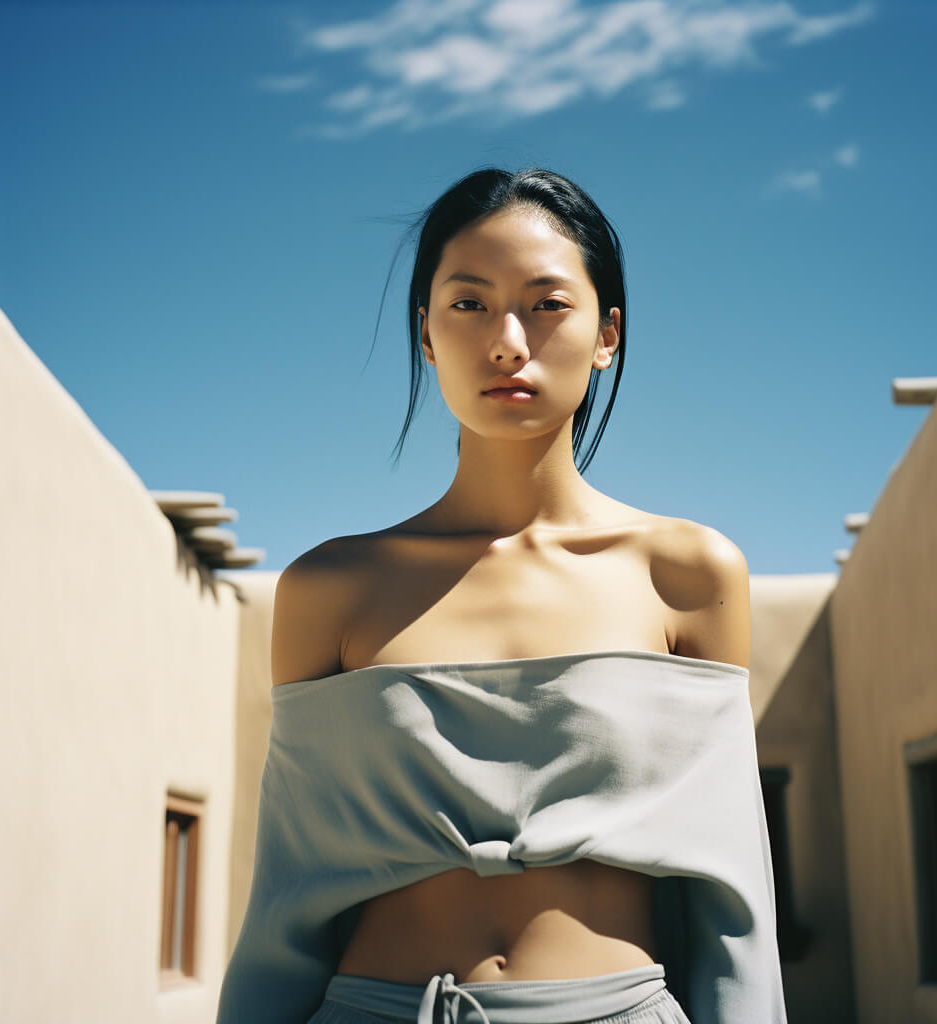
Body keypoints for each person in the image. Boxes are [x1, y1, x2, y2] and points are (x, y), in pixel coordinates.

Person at [216, 168, 787, 1024]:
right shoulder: (329, 589)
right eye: (469, 304)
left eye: (548, 303)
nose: (508, 341)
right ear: (426, 334)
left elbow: (729, 910)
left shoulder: (688, 575)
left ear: (608, 334)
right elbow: (286, 914)